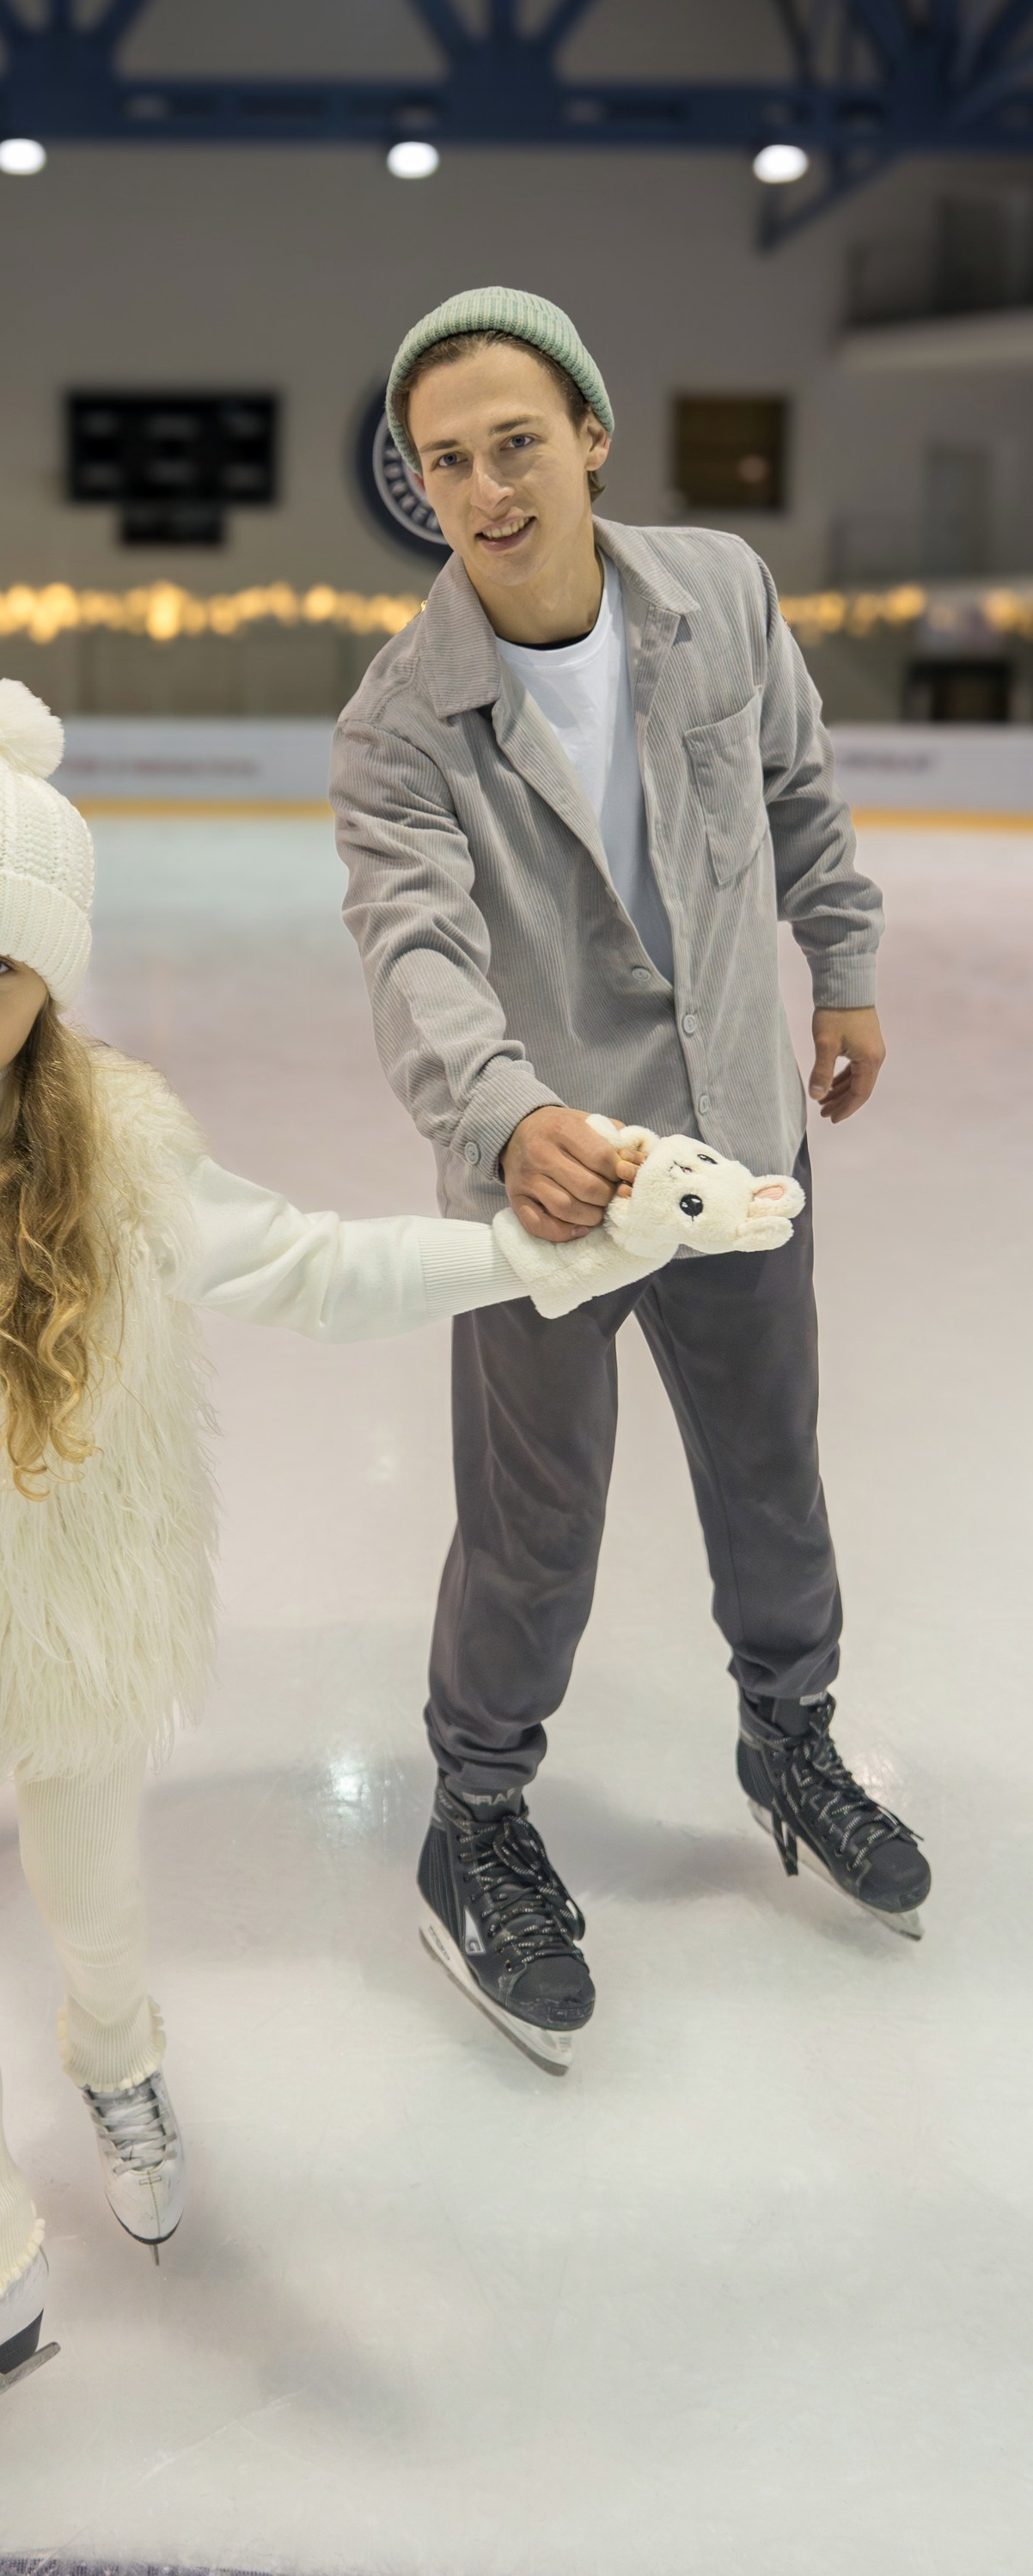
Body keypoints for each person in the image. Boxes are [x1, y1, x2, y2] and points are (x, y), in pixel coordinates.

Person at [0, 678, 779, 2480]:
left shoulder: (116, 1146)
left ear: (49, 981)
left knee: (87, 1906)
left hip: (72, 1605)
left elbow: (316, 1268)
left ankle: (116, 2058)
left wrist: (533, 1258)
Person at [333, 285, 931, 2071]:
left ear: (589, 437)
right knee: (534, 1519)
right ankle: (474, 1810)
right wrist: (504, 1118)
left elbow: (796, 789)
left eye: (514, 443)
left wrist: (840, 963)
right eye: (444, 462)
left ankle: (788, 1733)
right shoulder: (401, 719)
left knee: (768, 1466)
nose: (483, 489)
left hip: (739, 1132)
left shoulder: (715, 593)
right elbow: (413, 953)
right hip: (553, 1183)